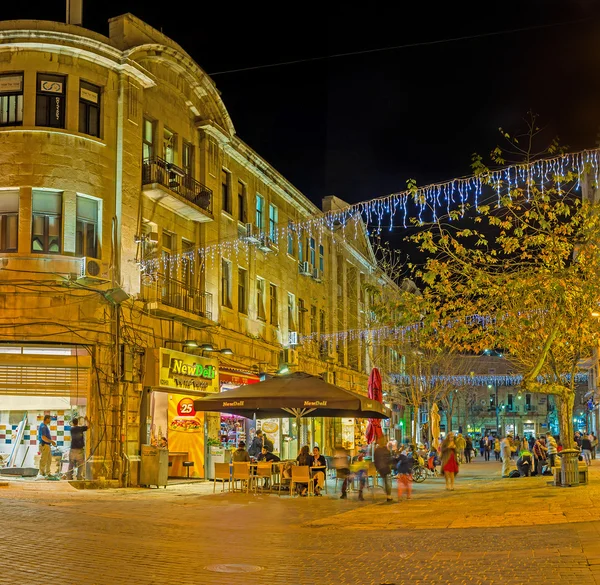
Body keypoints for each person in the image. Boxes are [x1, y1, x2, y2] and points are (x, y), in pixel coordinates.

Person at [67, 416, 89, 481]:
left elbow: (76, 427)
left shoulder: (71, 429)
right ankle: (79, 477)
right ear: (78, 422)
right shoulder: (81, 428)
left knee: (71, 464)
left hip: (73, 449)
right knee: (80, 465)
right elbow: (89, 426)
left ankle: (69, 477)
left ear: (73, 423)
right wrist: (87, 420)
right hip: (79, 450)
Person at [374, 437, 393, 502]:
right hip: (386, 468)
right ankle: (388, 495)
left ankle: (388, 494)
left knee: (385, 481)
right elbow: (389, 459)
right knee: (388, 481)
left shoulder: (376, 450)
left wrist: (377, 468)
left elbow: (375, 460)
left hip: (380, 468)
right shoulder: (386, 450)